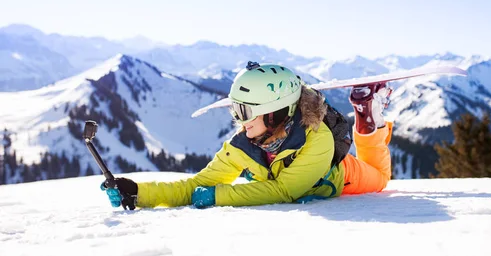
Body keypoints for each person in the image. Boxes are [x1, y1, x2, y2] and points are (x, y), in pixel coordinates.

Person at [102, 61, 393, 209]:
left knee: (380, 179)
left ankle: (368, 119)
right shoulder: (243, 144)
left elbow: (285, 191)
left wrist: (219, 196)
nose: (238, 121)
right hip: (313, 178)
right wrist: (139, 193)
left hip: (340, 176)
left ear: (276, 112)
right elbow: (196, 185)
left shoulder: (317, 139)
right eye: (235, 111)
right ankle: (369, 118)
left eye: (244, 111)